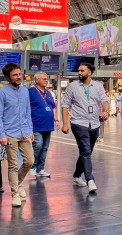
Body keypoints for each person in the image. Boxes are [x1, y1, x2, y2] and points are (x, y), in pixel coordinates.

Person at [61, 63, 109, 193]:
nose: (79, 72)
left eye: (82, 70)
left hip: (94, 123)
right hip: (78, 123)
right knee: (86, 151)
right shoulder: (72, 86)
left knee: (86, 152)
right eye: (78, 70)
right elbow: (65, 105)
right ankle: (90, 180)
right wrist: (65, 124)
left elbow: (105, 101)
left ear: (90, 72)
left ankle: (77, 175)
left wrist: (106, 111)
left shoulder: (98, 86)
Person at [0, 62, 35, 207]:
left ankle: (18, 182)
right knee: (13, 165)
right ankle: (15, 194)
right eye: (15, 75)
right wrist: (2, 134)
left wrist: (30, 130)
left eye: (19, 74)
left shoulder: (25, 91)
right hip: (10, 134)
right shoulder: (2, 92)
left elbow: (28, 112)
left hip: (25, 132)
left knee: (30, 162)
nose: (18, 77)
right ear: (8, 77)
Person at [29, 71, 60, 178]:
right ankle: (33, 167)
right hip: (36, 125)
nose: (46, 81)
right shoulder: (30, 92)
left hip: (48, 125)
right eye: (44, 79)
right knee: (38, 145)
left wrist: (56, 120)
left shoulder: (49, 93)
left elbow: (53, 108)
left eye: (47, 79)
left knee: (45, 148)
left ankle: (40, 169)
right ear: (36, 80)